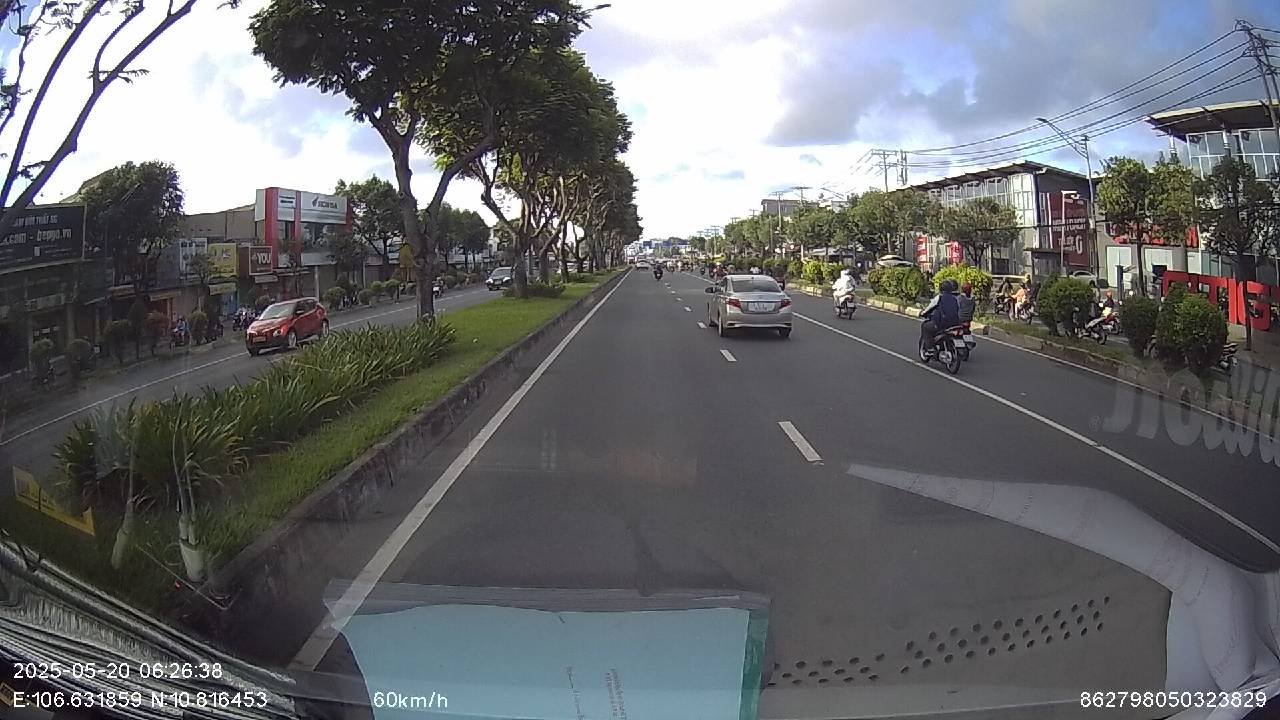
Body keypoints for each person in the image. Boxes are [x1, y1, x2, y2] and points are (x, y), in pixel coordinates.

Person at [921, 279, 961, 350]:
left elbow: (930, 307)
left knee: (925, 327)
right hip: (954, 323)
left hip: (942, 323)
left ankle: (930, 348)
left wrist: (923, 313)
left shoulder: (939, 297)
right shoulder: (955, 298)